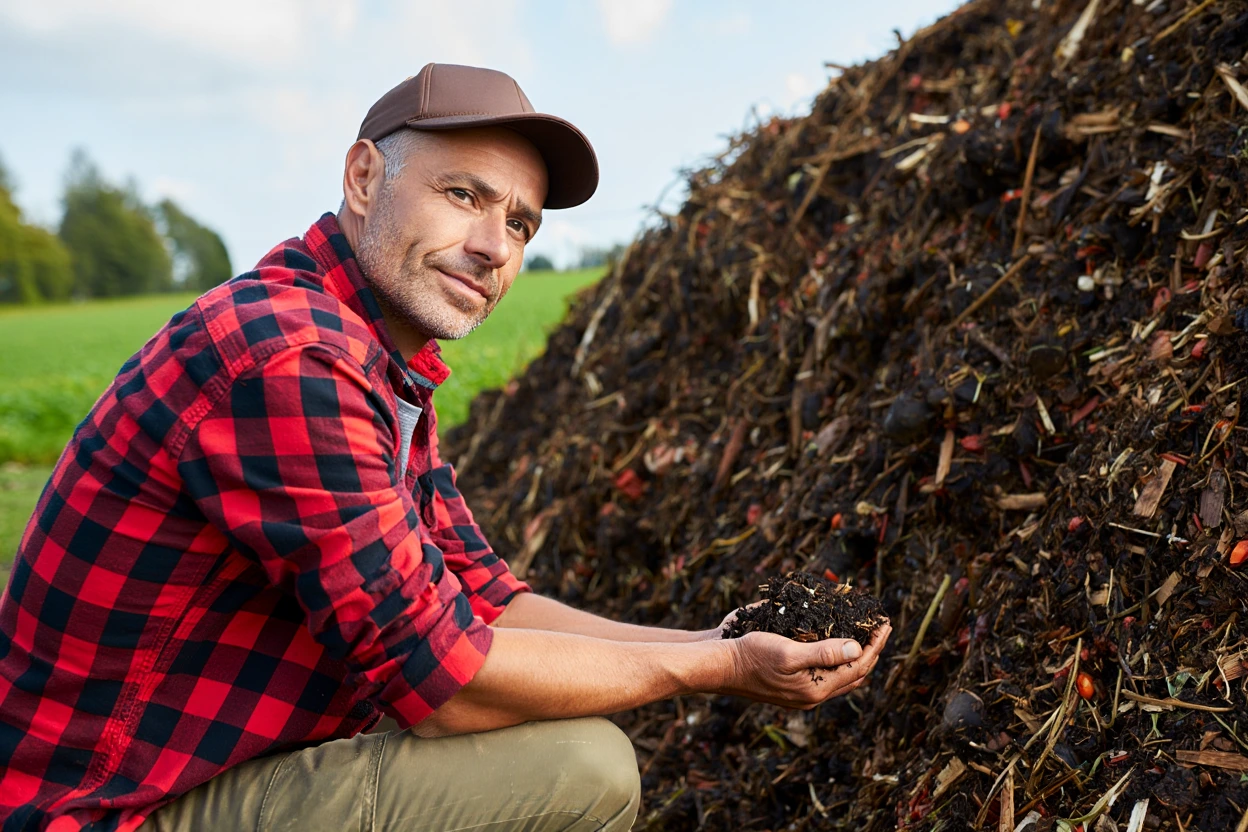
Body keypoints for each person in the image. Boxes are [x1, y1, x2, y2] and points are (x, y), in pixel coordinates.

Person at [0, 63, 891, 832]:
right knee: (584, 775)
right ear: (362, 177)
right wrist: (720, 669)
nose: (491, 247)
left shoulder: (379, 358)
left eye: (522, 223)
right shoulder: (294, 359)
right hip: (107, 808)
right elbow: (441, 681)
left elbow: (485, 597)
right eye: (463, 194)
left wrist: (707, 637)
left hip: (193, 771)